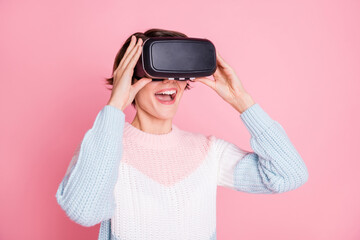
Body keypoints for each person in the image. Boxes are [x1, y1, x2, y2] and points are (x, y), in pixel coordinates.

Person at [55, 28, 309, 240]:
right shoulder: (104, 148)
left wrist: (242, 101)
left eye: (178, 73)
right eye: (159, 72)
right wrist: (114, 108)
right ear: (132, 80)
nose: (170, 82)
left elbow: (289, 175)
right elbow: (84, 211)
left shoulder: (208, 152)